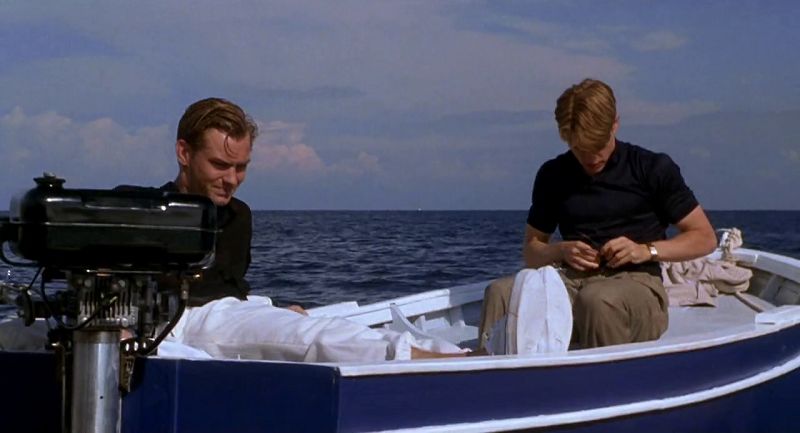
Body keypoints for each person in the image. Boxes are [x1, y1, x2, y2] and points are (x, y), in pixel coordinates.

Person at [0, 98, 464, 361]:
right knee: (13, 334)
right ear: (184, 153)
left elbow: (230, 287)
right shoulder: (138, 207)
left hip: (216, 313)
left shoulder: (238, 215)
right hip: (157, 318)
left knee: (313, 333)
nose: (232, 178)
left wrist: (274, 310)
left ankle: (445, 359)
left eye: (241, 167)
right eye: (221, 165)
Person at [478, 79, 717, 350]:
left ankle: (607, 375)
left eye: (598, 145)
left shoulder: (651, 168)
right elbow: (532, 252)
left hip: (636, 283)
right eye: (580, 149)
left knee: (597, 299)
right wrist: (561, 251)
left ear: (615, 124)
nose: (591, 158)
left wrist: (645, 251)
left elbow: (704, 238)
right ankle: (491, 368)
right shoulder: (552, 175)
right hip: (571, 280)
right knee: (500, 294)